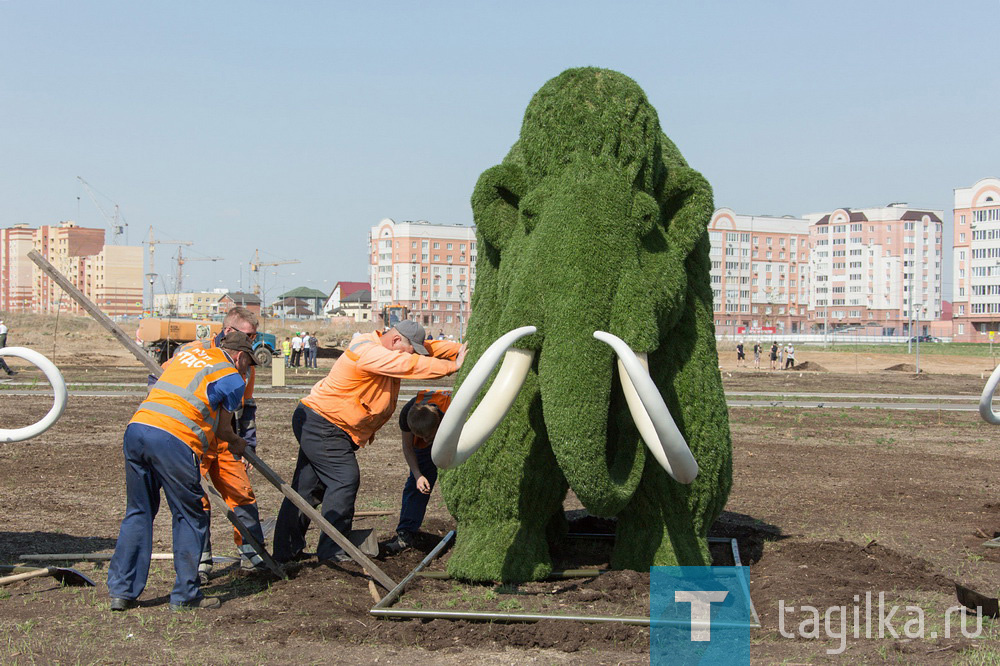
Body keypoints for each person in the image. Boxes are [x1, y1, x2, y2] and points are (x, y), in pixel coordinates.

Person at [273, 320, 465, 564]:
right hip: (324, 424)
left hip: (326, 424)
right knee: (344, 479)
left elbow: (430, 347)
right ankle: (332, 551)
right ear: (396, 340)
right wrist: (451, 367)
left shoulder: (392, 347)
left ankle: (286, 552)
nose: (414, 353)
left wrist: (459, 349)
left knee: (308, 489)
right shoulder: (368, 351)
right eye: (411, 348)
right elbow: (407, 363)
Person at [107, 331, 256, 612]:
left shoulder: (187, 355)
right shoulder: (233, 377)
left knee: (138, 512)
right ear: (240, 356)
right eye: (249, 362)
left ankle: (122, 592)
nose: (249, 369)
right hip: (173, 440)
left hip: (137, 429)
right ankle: (186, 595)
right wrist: (240, 444)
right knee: (190, 515)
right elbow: (225, 431)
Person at [160, 308, 268, 579]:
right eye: (248, 334)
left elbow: (247, 406)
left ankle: (252, 554)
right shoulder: (191, 352)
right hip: (195, 438)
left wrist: (248, 444)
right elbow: (161, 384)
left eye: (254, 336)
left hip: (226, 438)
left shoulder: (245, 360)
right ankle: (200, 562)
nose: (252, 341)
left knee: (241, 493)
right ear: (229, 331)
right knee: (197, 500)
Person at [384, 390, 451, 554]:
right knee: (416, 486)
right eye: (421, 437)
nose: (425, 441)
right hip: (424, 447)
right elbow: (408, 448)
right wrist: (418, 475)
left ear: (438, 424)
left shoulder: (450, 411)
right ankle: (406, 533)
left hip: (452, 437)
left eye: (428, 437)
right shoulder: (407, 413)